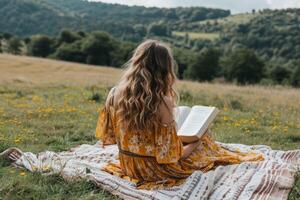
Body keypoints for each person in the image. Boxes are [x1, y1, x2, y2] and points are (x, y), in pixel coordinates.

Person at [99, 40, 265, 189]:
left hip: (129, 165)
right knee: (204, 138)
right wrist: (197, 141)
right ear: (165, 69)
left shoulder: (113, 94)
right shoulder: (162, 102)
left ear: (136, 63)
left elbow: (110, 137)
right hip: (154, 171)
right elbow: (172, 157)